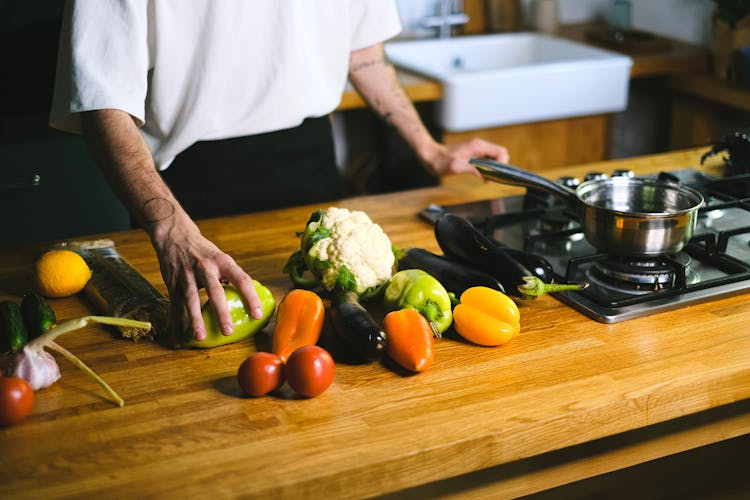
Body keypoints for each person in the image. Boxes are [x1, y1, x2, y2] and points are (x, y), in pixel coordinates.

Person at [50, 0, 509, 346]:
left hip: (313, 179)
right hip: (184, 202)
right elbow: (102, 99)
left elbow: (363, 51)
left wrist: (430, 151)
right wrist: (169, 229)